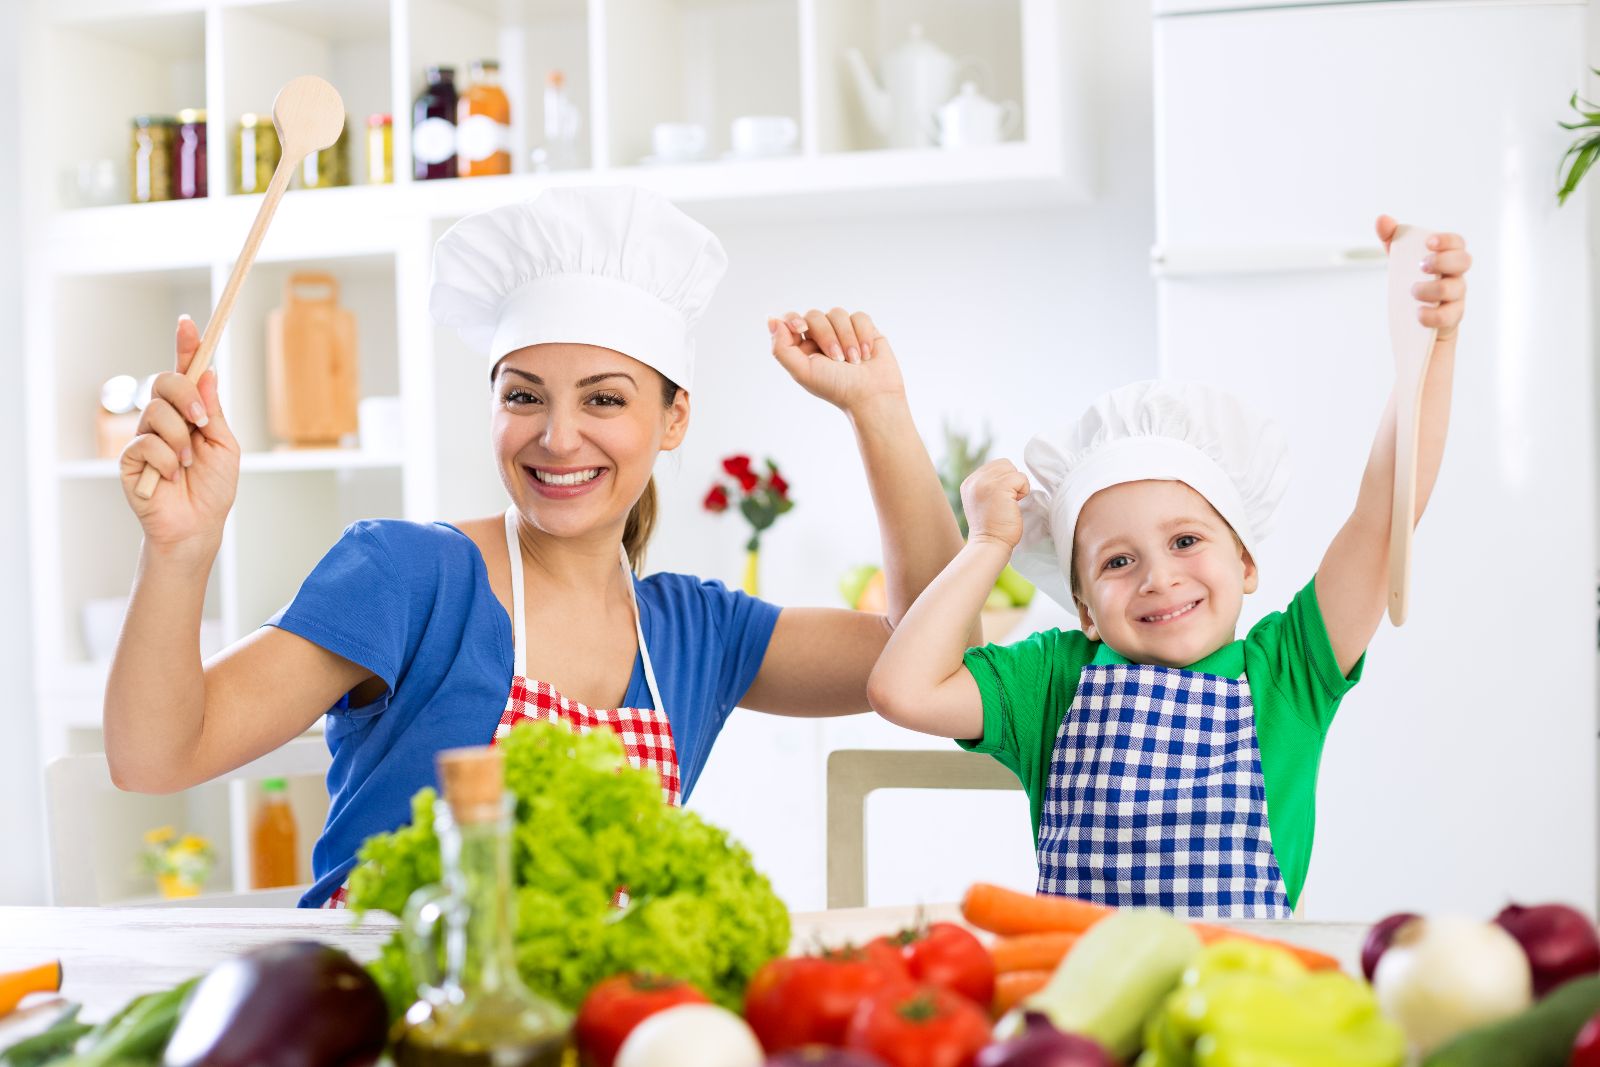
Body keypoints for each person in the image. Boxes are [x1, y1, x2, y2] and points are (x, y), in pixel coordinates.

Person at [104, 185, 968, 907]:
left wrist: (878, 413)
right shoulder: (410, 579)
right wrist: (180, 552)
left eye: (603, 400)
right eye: (524, 396)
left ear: (673, 419)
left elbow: (929, 655)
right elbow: (155, 756)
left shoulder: (695, 635)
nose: (558, 437)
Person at [866, 217, 1471, 917]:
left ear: (1244, 560)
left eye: (1186, 541)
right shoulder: (1052, 681)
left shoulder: (1290, 670)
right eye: (1118, 560)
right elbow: (900, 689)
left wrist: (1434, 348)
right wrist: (987, 543)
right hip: (1081, 1006)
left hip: (1240, 1000)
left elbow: (1381, 516)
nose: (1159, 577)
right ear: (1084, 607)